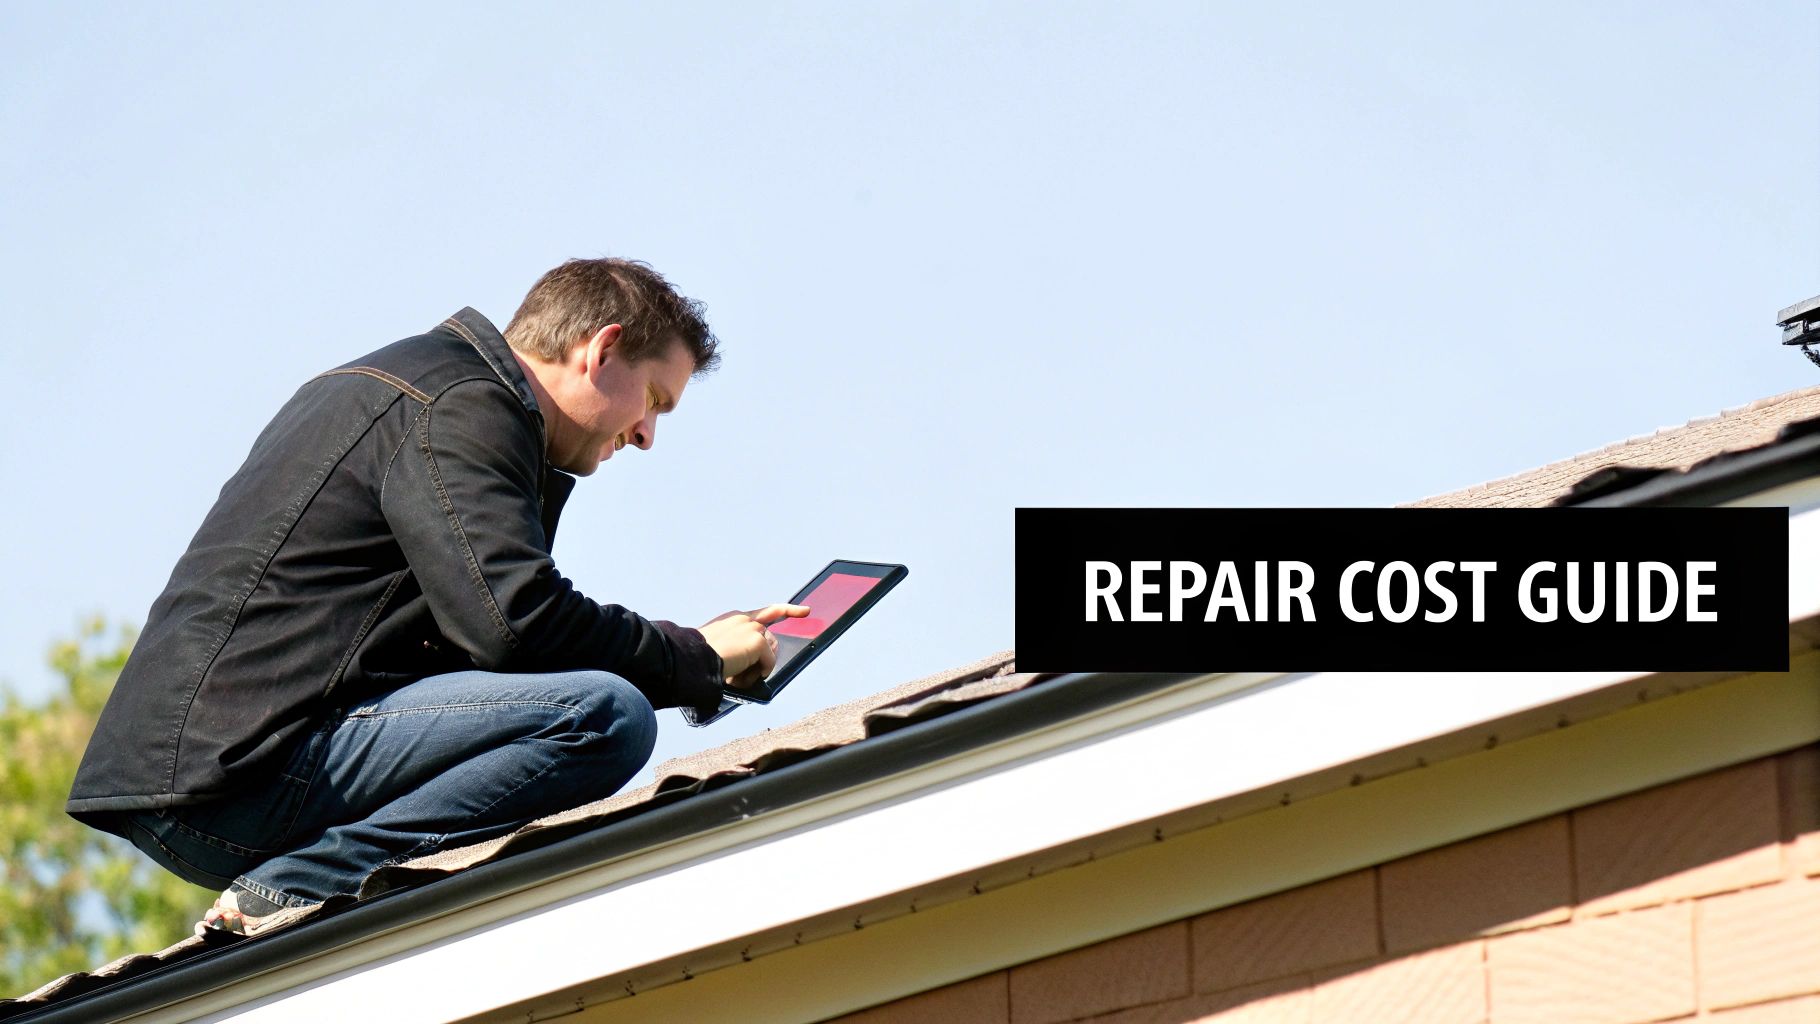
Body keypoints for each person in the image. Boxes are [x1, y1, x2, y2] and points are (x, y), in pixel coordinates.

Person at [66, 257, 801, 935]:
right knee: (604, 717)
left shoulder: (419, 384)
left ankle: (302, 890)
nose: (646, 435)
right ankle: (298, 888)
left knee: (586, 704)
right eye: (654, 400)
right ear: (602, 349)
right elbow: (516, 620)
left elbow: (487, 641)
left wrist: (688, 657)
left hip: (216, 763)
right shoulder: (461, 402)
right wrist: (693, 656)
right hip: (243, 772)